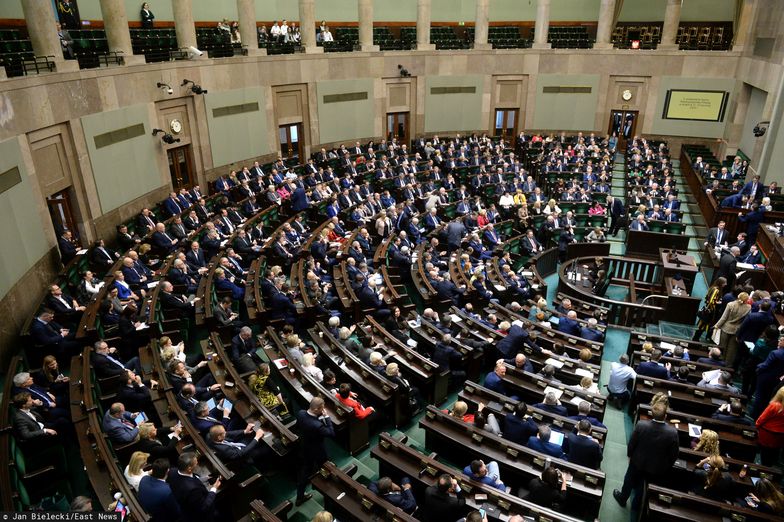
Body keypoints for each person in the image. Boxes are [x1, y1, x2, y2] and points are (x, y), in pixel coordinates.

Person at [613, 402, 679, 510]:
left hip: (637, 461)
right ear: (665, 416)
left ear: (652, 414)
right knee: (644, 486)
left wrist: (630, 456)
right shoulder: (672, 433)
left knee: (629, 479)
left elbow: (632, 443)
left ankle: (623, 498)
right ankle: (636, 505)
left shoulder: (641, 425)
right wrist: (666, 466)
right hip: (656, 467)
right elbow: (674, 454)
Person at [295, 397, 335, 505]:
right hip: (317, 450)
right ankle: (331, 489)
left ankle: (299, 497)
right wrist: (326, 417)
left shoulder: (301, 413)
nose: (323, 410)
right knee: (326, 466)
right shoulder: (317, 425)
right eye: (322, 408)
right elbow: (331, 433)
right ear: (317, 409)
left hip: (304, 446)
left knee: (305, 471)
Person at [168, 452, 223, 521]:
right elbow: (204, 507)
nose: (197, 464)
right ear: (189, 469)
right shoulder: (193, 490)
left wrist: (205, 478)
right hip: (202, 515)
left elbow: (190, 479)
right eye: (196, 463)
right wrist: (214, 488)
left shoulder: (173, 471)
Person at [713, 291, 750, 368]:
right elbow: (745, 321)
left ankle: (719, 362)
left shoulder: (730, 304)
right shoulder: (748, 307)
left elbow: (724, 318)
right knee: (732, 350)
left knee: (722, 346)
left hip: (726, 328)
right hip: (736, 331)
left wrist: (716, 326)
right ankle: (727, 365)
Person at [756, 387, 784, 466]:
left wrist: (757, 426)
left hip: (767, 434)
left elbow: (762, 418)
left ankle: (764, 468)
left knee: (765, 453)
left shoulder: (775, 406)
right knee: (774, 451)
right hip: (781, 436)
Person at [694, 277, 726, 341]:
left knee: (703, 324)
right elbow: (712, 301)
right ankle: (696, 338)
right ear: (721, 283)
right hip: (710, 311)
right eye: (724, 283)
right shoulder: (716, 290)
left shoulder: (712, 287)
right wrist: (718, 303)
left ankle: (697, 337)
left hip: (707, 309)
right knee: (704, 324)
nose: (726, 284)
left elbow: (706, 297)